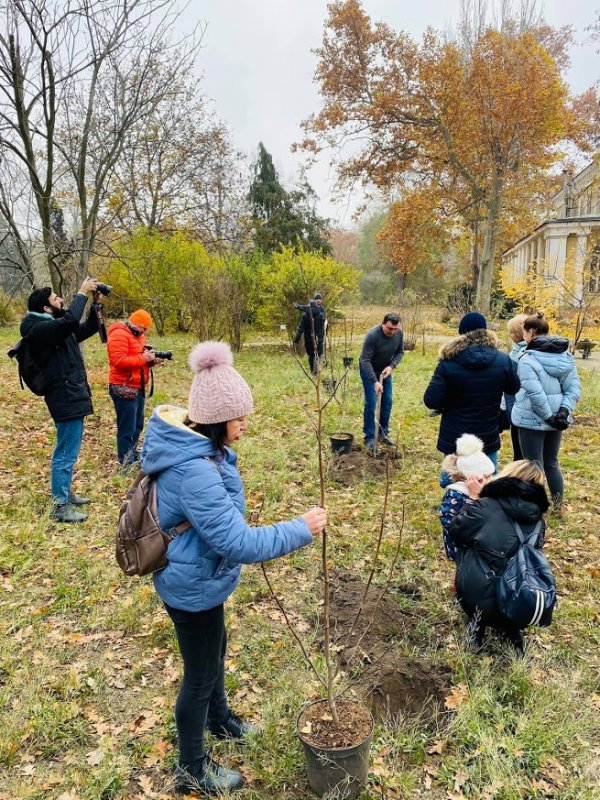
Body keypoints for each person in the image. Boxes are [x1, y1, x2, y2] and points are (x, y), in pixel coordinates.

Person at [140, 341, 327, 795]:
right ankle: (191, 767)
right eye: (239, 416)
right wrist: (301, 528)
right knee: (200, 676)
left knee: (215, 653)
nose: (245, 423)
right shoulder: (195, 471)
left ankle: (221, 720)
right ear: (216, 418)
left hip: (200, 578)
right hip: (191, 585)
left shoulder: (204, 453)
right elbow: (237, 541)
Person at [449, 459, 550, 653]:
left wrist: (475, 498)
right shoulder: (539, 520)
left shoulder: (486, 506)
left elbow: (456, 532)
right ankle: (512, 630)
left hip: (479, 600)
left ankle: (476, 626)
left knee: (466, 546)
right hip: (521, 601)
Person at [20, 278, 100, 523]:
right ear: (46, 307)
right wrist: (81, 292)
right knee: (65, 452)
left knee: (70, 450)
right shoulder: (37, 328)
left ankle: (64, 492)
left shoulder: (54, 325)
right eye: (56, 299)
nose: (61, 300)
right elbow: (71, 321)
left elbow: (84, 329)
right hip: (63, 396)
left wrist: (96, 306)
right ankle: (59, 505)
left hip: (71, 393)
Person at [424, 311, 519, 471]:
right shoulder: (503, 360)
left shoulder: (448, 362)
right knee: (486, 480)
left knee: (455, 482)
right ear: (485, 331)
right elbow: (513, 388)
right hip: (487, 434)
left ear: (461, 334)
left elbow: (431, 400)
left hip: (456, 436)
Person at [511, 311, 581, 510]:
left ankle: (535, 508)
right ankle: (558, 505)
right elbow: (573, 388)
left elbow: (535, 393)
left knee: (533, 465)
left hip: (531, 420)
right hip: (557, 420)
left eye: (524, 332)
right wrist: (564, 412)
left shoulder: (527, 358)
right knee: (552, 463)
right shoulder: (565, 357)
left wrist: (549, 416)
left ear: (531, 332)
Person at [107, 309, 158, 467]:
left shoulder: (139, 336)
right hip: (123, 387)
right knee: (127, 427)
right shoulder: (118, 335)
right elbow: (119, 361)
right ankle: (125, 461)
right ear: (137, 324)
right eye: (144, 328)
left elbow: (138, 359)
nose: (145, 331)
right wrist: (144, 358)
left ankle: (132, 453)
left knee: (137, 424)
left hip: (138, 386)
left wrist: (151, 361)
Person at [439, 434, 495, 561]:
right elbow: (456, 527)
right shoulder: (455, 496)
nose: (488, 481)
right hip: (463, 553)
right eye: (484, 478)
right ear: (469, 479)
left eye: (490, 476)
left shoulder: (484, 488)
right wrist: (474, 498)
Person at [359, 312, 404, 453]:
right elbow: (364, 360)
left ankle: (383, 433)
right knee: (372, 403)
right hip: (369, 370)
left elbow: (400, 352)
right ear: (383, 323)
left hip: (385, 371)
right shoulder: (372, 336)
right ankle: (370, 437)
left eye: (395, 329)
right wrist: (374, 381)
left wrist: (391, 366)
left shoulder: (399, 334)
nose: (392, 332)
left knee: (388, 400)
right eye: (389, 328)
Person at [503, 314, 529, 460]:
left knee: (520, 451)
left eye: (511, 332)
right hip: (520, 407)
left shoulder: (518, 355)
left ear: (519, 334)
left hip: (517, 407)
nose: (509, 335)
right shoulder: (519, 350)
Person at [293, 297, 326, 374]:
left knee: (311, 355)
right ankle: (317, 370)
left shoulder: (305, 316)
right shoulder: (321, 314)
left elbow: (300, 329)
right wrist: (323, 336)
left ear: (309, 307)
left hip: (309, 339)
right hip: (319, 338)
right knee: (318, 354)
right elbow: (323, 327)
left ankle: (313, 371)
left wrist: (296, 339)